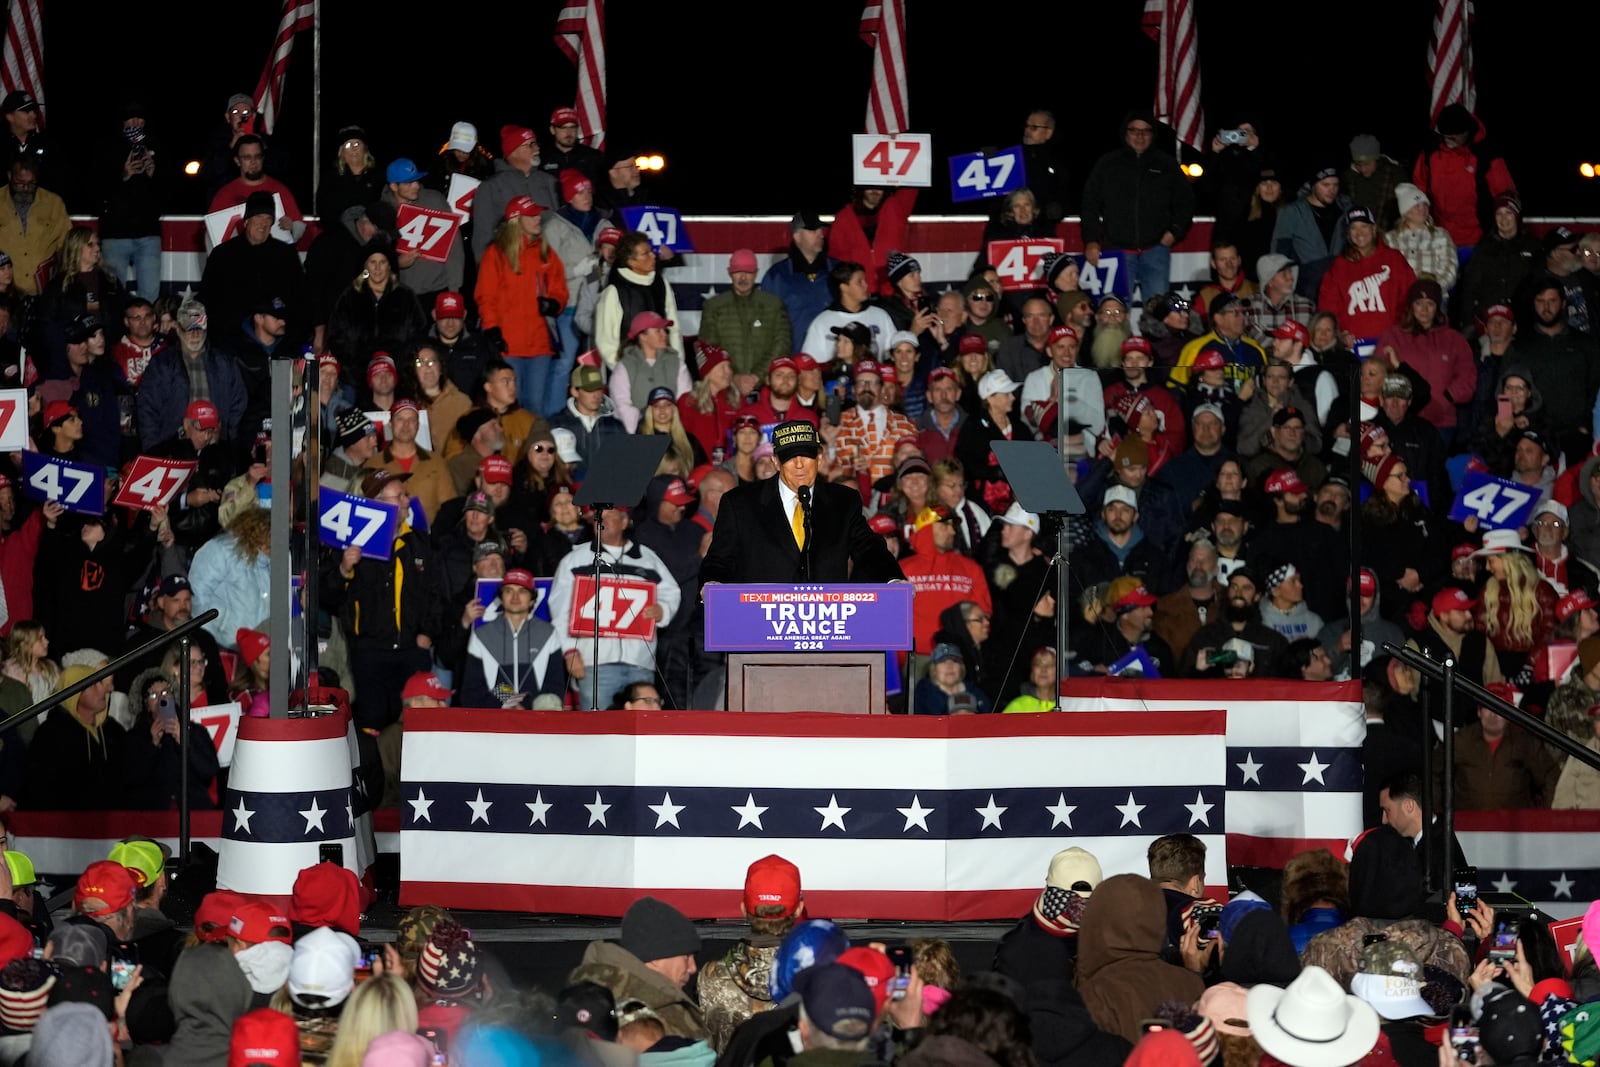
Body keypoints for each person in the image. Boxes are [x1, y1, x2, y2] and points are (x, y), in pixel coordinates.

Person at [702, 420, 904, 586]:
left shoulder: (844, 502)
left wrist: (893, 578)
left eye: (806, 457)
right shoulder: (740, 503)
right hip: (761, 625)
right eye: (790, 458)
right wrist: (711, 582)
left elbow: (868, 548)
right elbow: (720, 557)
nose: (799, 465)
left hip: (827, 623)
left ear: (820, 458)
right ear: (776, 462)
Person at [320, 470, 439, 733]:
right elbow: (327, 597)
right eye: (400, 496)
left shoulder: (420, 542)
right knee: (370, 723)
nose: (408, 500)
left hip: (412, 650)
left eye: (405, 494)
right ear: (378, 504)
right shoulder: (350, 544)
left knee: (413, 727)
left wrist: (426, 634)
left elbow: (436, 593)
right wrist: (343, 569)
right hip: (369, 653)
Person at [549, 506, 679, 708]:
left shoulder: (647, 558)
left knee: (640, 728)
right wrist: (569, 652)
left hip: (639, 662)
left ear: (624, 522)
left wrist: (662, 609)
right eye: (598, 517)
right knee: (598, 730)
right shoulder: (574, 560)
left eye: (609, 516)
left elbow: (671, 592)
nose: (601, 521)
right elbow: (560, 610)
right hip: (595, 664)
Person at [1080, 111, 1194, 301]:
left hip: (1156, 251)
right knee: (1113, 315)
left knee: (1158, 315)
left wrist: (1176, 230)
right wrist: (1091, 240)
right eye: (1134, 130)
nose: (1140, 136)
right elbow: (1089, 203)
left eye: (1146, 131)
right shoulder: (1107, 164)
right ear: (1125, 133)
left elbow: (1186, 201)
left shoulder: (1166, 164)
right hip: (1117, 252)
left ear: (1153, 135)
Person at [474, 195, 568, 417]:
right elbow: (486, 295)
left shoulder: (545, 251)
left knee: (535, 405)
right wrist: (492, 329)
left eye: (538, 214)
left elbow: (559, 287)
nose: (538, 219)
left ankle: (533, 450)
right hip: (509, 343)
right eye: (532, 215)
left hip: (540, 343)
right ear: (517, 220)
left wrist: (555, 303)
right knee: (509, 405)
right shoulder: (495, 253)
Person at [570, 896, 706, 1040]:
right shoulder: (650, 1017)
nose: (692, 968)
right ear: (656, 958)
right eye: (686, 957)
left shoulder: (600, 999)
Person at [1411, 104, 1516, 248]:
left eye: (1453, 137)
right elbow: (1418, 187)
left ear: (1465, 132)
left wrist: (1505, 231)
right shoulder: (1431, 152)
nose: (1448, 139)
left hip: (1478, 239)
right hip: (1440, 237)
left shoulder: (1485, 154)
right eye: (1444, 135)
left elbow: (1506, 195)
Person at [459, 568, 566, 709]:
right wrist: (510, 703)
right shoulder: (482, 635)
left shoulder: (548, 633)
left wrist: (527, 705)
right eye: (509, 591)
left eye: (522, 591)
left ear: (532, 600)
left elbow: (555, 686)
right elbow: (472, 690)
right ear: (501, 598)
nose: (515, 597)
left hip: (537, 718)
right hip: (495, 720)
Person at [1448, 683, 1561, 810]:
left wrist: (1539, 817)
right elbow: (1434, 774)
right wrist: (1442, 815)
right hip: (1466, 827)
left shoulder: (1525, 743)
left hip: (1515, 827)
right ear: (1479, 712)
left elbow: (1551, 774)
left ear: (1509, 714)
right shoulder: (1460, 741)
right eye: (1488, 707)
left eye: (1500, 708)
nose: (1493, 714)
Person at [1271, 164, 1351, 299]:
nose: (1331, 190)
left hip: (1342, 287)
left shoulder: (1346, 209)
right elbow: (1279, 255)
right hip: (1306, 289)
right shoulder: (1291, 212)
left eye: (1335, 185)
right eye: (1325, 185)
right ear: (1313, 185)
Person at [762, 211, 835, 354]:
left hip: (833, 362)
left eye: (821, 230)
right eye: (814, 230)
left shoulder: (837, 271)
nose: (821, 234)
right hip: (794, 363)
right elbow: (765, 324)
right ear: (797, 236)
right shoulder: (777, 276)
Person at [0, 158, 68, 296]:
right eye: (20, 183)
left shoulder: (53, 203)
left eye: (31, 184)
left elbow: (66, 244)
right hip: (5, 293)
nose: (26, 189)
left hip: (44, 290)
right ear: (9, 176)